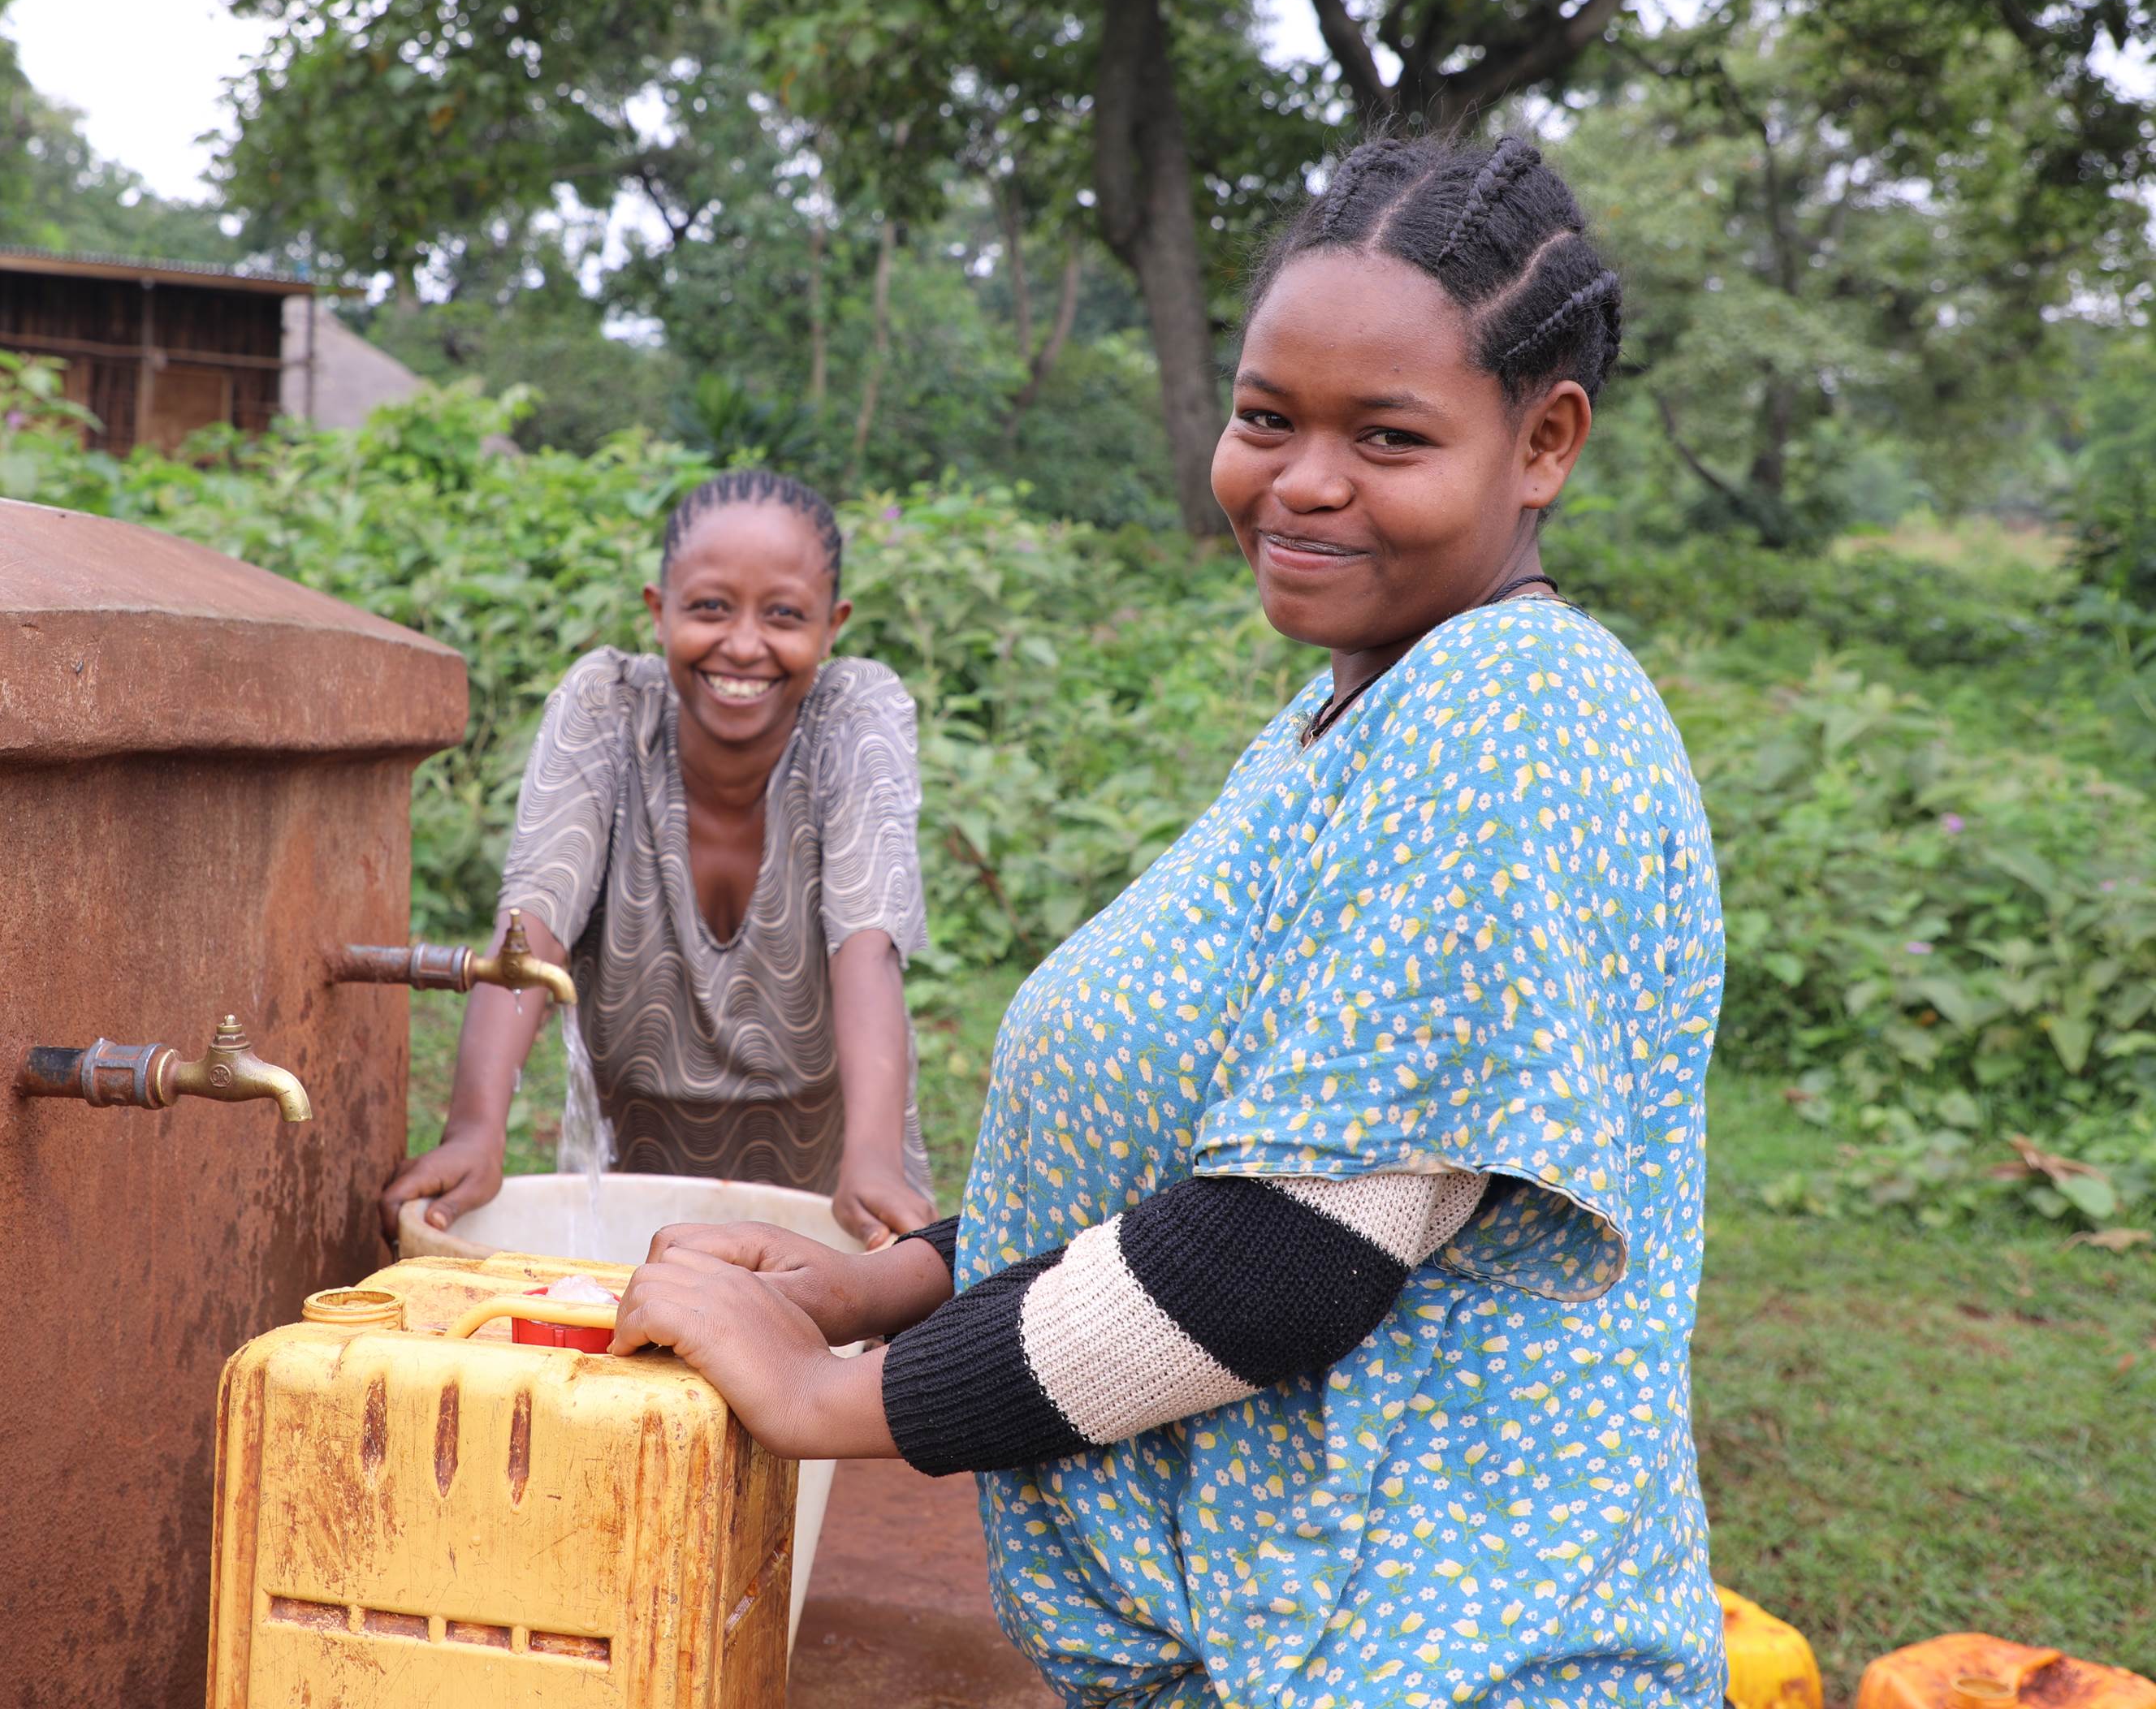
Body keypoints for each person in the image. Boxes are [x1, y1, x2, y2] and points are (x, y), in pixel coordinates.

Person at [607, 136, 1727, 1707]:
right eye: (1268, 418)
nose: (1303, 479)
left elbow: (1289, 1253)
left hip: (1435, 1667)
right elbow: (1222, 1160)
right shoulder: (1347, 718)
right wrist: (895, 1280)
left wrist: (822, 1388)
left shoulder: (1518, 719)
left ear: (1543, 443)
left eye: (1388, 436)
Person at [383, 468, 939, 1246]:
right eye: (710, 608)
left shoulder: (854, 715)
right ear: (658, 610)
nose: (743, 645)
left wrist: (875, 1161)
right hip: (633, 1170)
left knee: (820, 1350)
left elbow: (869, 945)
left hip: (835, 1172)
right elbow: (533, 928)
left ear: (832, 626)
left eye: (784, 615)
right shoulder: (606, 708)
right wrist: (476, 1129)